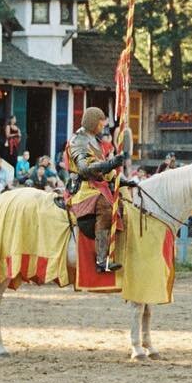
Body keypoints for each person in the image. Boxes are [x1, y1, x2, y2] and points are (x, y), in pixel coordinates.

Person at [66, 106, 128, 272]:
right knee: (106, 207)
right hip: (84, 187)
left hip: (98, 185)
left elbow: (104, 172)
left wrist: (120, 180)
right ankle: (102, 260)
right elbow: (85, 168)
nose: (103, 127)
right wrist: (110, 164)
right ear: (93, 123)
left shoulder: (95, 140)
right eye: (101, 124)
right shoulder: (79, 141)